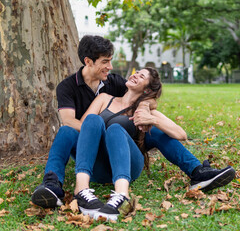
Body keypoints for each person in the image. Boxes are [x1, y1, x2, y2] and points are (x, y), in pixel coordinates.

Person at [31, 35, 235, 210]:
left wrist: (148, 110)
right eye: (105, 62)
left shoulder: (116, 83)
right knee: (68, 130)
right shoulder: (80, 91)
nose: (110, 67)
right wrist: (98, 129)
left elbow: (169, 120)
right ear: (88, 61)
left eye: (141, 76)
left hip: (124, 157)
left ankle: (198, 172)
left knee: (150, 131)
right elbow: (75, 122)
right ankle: (52, 184)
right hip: (94, 155)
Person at [73, 67, 182, 221]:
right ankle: (81, 188)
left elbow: (181, 134)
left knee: (115, 129)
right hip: (101, 163)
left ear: (146, 90)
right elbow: (83, 126)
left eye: (141, 76)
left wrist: (151, 118)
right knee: (92, 120)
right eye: (136, 72)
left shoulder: (143, 110)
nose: (135, 75)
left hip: (128, 162)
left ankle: (122, 194)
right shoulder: (105, 98)